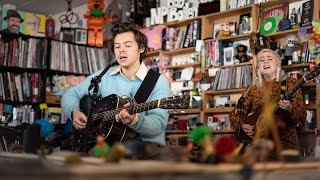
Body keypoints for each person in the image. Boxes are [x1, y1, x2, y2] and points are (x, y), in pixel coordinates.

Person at [61, 22, 171, 158]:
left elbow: (158, 125)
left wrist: (135, 120)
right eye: (117, 46)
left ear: (141, 48)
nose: (121, 50)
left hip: (146, 147)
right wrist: (74, 112)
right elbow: (71, 93)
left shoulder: (157, 81)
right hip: (108, 146)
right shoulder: (105, 75)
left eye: (128, 45)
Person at [229, 48, 306, 151]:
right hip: (260, 148)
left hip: (286, 145)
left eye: (269, 58)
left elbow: (301, 115)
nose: (265, 61)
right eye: (261, 60)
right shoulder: (251, 89)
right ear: (258, 67)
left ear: (277, 63)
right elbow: (235, 114)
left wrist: (290, 108)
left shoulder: (290, 83)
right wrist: (242, 125)